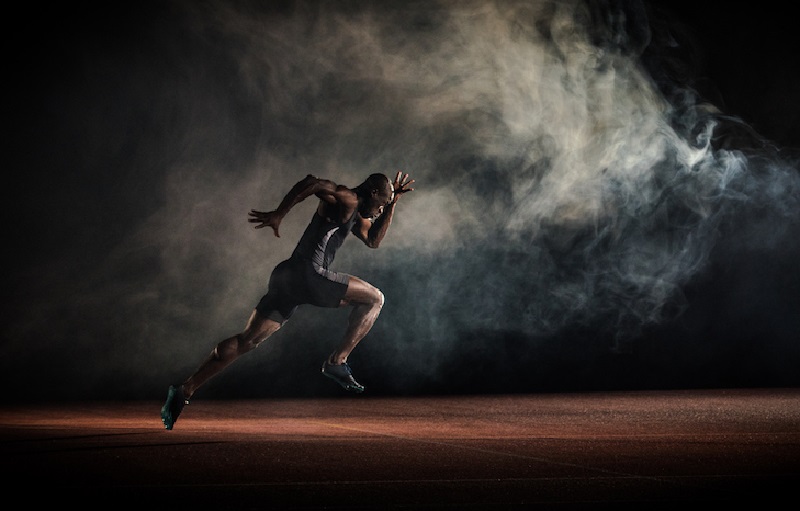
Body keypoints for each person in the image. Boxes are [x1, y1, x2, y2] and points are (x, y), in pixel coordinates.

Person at [160, 170, 414, 430]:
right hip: (309, 275)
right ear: (372, 193)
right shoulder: (347, 198)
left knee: (246, 341)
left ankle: (184, 390)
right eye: (382, 204)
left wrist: (393, 203)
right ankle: (337, 362)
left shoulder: (357, 212)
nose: (380, 210)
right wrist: (279, 214)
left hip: (286, 276)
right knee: (375, 299)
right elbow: (312, 183)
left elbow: (373, 241)